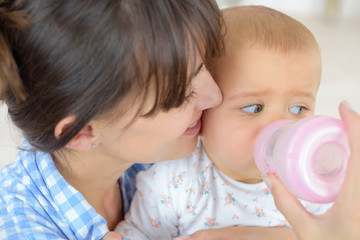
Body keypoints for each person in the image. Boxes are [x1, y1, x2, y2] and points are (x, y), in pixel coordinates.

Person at [0, 0, 224, 239]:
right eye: (183, 93)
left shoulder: (146, 158)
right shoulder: (21, 230)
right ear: (80, 132)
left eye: (204, 66)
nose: (216, 96)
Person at [115, 5, 328, 239]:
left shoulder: (314, 179)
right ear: (205, 108)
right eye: (254, 108)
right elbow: (138, 231)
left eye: (298, 109)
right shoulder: (173, 181)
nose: (281, 126)